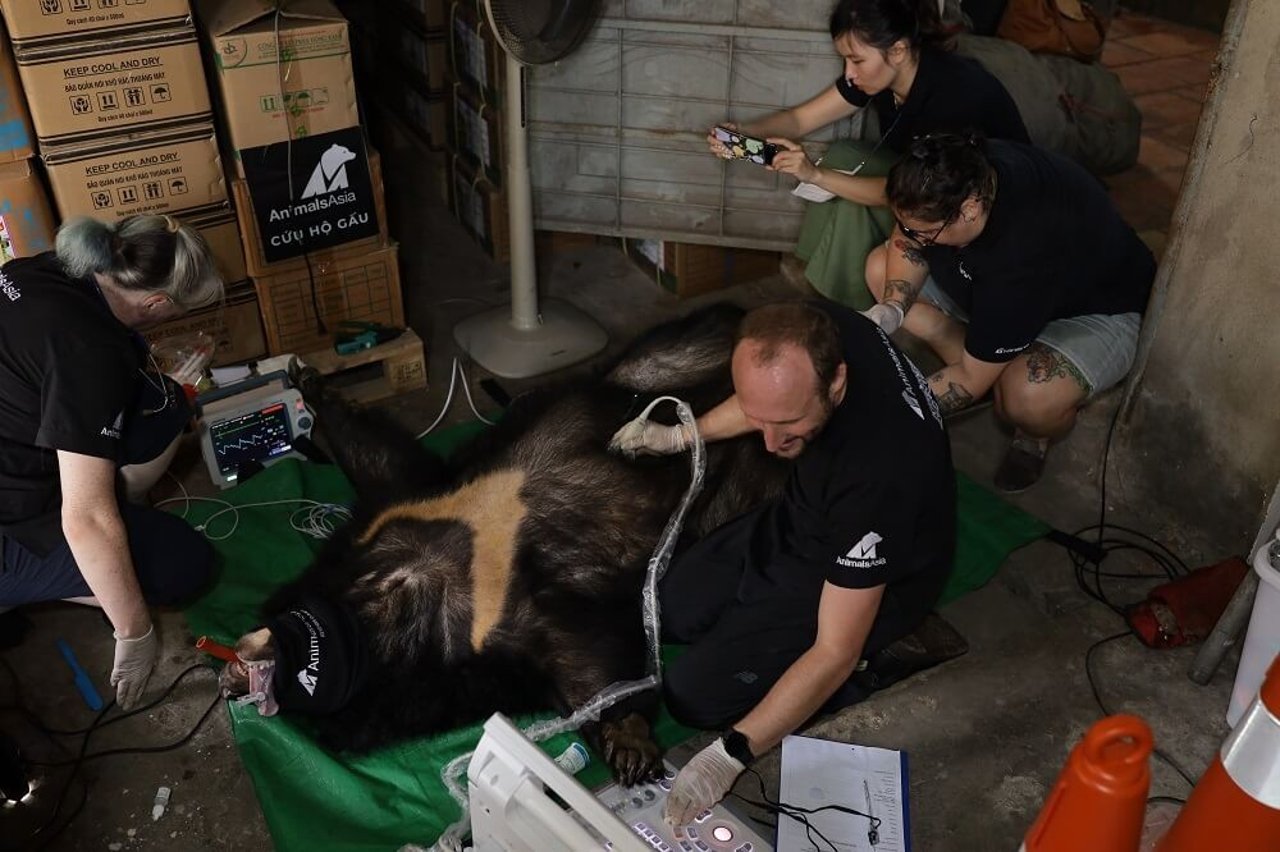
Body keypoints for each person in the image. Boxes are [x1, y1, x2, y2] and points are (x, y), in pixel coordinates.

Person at [609, 300, 956, 827]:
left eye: (791, 424)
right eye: (762, 420)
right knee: (667, 606)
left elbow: (833, 649)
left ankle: (887, 651)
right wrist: (682, 435)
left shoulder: (879, 473)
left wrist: (730, 756)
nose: (770, 443)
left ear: (836, 383)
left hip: (870, 569)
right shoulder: (813, 330)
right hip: (805, 515)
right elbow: (764, 404)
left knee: (695, 698)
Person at [0, 215, 224, 708]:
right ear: (157, 303)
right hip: (9, 520)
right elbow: (87, 521)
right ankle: (17, 589)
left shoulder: (49, 269)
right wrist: (135, 631)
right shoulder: (88, 351)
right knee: (180, 565)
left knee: (146, 409)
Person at [861, 132, 1156, 491]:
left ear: (968, 210)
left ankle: (1026, 424)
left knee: (1027, 399)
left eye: (924, 232)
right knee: (882, 268)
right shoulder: (958, 165)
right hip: (1005, 291)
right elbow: (906, 238)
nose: (912, 237)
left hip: (1096, 309)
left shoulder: (1022, 250)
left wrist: (880, 414)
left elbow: (967, 380)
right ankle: (989, 362)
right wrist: (893, 307)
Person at [707, 0, 1028, 308]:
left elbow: (901, 192)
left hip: (980, 213)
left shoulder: (952, 95)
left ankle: (852, 309)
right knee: (844, 154)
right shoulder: (890, 73)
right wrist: (744, 132)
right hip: (929, 182)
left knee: (849, 201)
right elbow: (799, 119)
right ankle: (818, 272)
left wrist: (816, 175)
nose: (849, 73)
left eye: (857, 60)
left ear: (898, 50)